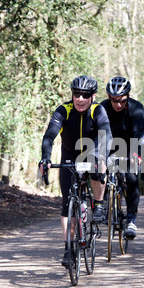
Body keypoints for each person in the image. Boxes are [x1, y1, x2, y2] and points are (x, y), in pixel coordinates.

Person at [39, 75, 112, 267]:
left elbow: (106, 134)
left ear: (93, 96)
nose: (80, 99)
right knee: (67, 202)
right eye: (76, 94)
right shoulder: (63, 110)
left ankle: (98, 204)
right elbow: (49, 136)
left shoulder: (98, 110)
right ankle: (68, 248)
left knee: (97, 166)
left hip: (92, 151)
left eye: (85, 95)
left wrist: (102, 157)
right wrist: (45, 157)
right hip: (69, 155)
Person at [101, 76, 144, 239]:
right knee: (98, 171)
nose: (118, 104)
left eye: (122, 100)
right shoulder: (102, 108)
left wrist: (135, 154)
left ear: (128, 96)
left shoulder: (137, 108)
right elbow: (96, 133)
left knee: (132, 177)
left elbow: (137, 133)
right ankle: (104, 202)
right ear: (108, 97)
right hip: (108, 144)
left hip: (129, 144)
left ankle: (131, 219)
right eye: (114, 100)